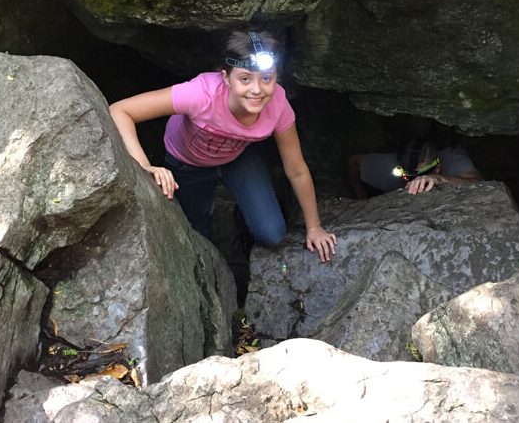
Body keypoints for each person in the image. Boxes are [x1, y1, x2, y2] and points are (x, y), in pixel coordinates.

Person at [109, 30, 337, 265]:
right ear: (226, 78)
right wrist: (144, 166)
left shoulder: (278, 105)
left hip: (238, 157)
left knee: (272, 234)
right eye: (245, 79)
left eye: (267, 78)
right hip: (188, 163)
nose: (257, 89)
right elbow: (120, 111)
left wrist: (314, 227)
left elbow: (297, 169)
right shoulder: (200, 95)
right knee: (198, 236)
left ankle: (243, 220)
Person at [348, 140, 483, 198]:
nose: (412, 181)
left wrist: (440, 179)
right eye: (407, 175)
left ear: (438, 168)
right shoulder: (390, 169)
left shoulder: (454, 160)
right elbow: (354, 161)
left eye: (420, 175)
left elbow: (479, 182)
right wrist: (361, 197)